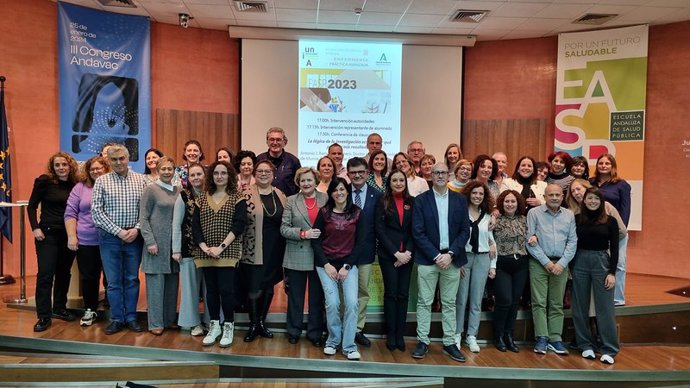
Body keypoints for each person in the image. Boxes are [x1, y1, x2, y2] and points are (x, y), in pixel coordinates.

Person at [411, 162, 470, 363]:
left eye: (443, 172)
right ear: (431, 176)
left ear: (449, 175)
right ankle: (423, 341)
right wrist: (436, 256)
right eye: (436, 173)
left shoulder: (460, 200)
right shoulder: (421, 200)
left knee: (449, 303)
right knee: (424, 302)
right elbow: (417, 232)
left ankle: (449, 342)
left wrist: (451, 254)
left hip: (452, 260)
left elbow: (465, 231)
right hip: (429, 260)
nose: (440, 176)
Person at [92, 144, 148, 335]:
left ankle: (131, 317)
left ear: (128, 157)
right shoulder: (101, 182)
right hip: (110, 238)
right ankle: (117, 318)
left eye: (121, 158)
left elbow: (146, 210)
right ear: (108, 161)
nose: (118, 163)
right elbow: (96, 212)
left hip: (134, 237)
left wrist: (136, 229)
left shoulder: (142, 180)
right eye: (114, 159)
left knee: (132, 279)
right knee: (114, 281)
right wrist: (118, 231)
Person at [193, 160, 247, 348]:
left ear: (230, 175)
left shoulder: (237, 197)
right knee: (211, 291)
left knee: (226, 290)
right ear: (211, 176)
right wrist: (205, 247)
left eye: (223, 173)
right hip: (205, 252)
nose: (219, 176)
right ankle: (214, 326)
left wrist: (220, 247)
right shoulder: (201, 198)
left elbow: (239, 225)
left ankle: (229, 326)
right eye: (216, 173)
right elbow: (196, 226)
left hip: (228, 251)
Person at [312, 177, 366, 360]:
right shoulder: (324, 212)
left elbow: (361, 243)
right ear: (331, 193)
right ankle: (333, 341)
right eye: (336, 190)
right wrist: (326, 265)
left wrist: (347, 266)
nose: (339, 193)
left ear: (347, 191)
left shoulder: (358, 213)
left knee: (351, 303)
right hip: (325, 265)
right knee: (333, 303)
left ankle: (349, 346)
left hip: (348, 265)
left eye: (342, 189)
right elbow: (316, 241)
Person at [28, 152, 79, 332]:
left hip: (69, 235)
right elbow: (31, 206)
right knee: (45, 274)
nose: (61, 168)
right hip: (47, 234)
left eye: (64, 164)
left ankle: (59, 308)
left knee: (64, 273)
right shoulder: (44, 181)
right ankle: (43, 316)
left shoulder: (75, 184)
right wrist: (35, 228)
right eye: (57, 165)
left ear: (70, 165)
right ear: (53, 167)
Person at [526, 183, 577, 355]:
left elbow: (572, 241)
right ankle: (542, 337)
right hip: (539, 263)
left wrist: (562, 263)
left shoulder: (569, 215)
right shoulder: (534, 213)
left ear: (562, 197)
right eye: (551, 195)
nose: (554, 198)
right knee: (539, 302)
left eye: (557, 195)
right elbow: (529, 240)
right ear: (545, 196)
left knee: (556, 303)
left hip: (561, 264)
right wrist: (546, 262)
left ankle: (555, 338)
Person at [240, 160, 288, 342]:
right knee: (254, 286)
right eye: (259, 171)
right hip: (252, 248)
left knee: (268, 286)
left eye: (267, 171)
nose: (263, 174)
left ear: (273, 173)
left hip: (275, 248)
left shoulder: (280, 194)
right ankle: (253, 324)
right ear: (254, 173)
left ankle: (261, 322)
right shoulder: (245, 193)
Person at [572, 187, 620, 364]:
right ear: (584, 200)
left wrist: (612, 272)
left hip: (602, 262)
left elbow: (615, 249)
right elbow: (572, 244)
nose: (592, 202)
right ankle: (585, 345)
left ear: (601, 202)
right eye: (589, 198)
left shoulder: (611, 221)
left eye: (596, 199)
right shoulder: (577, 219)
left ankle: (609, 349)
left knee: (605, 307)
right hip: (580, 261)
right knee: (579, 306)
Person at [280, 167, 327, 346]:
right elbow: (283, 228)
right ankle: (293, 330)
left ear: (316, 181)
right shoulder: (291, 201)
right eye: (303, 181)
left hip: (320, 255)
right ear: (298, 183)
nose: (306, 183)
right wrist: (303, 234)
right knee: (295, 297)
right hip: (296, 253)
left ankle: (315, 333)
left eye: (309, 180)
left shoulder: (325, 198)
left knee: (317, 297)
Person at [64, 156, 110, 328]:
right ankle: (90, 309)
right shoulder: (80, 188)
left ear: (106, 168)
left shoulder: (113, 185)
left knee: (111, 278)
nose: (96, 171)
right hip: (86, 240)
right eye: (92, 169)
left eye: (99, 168)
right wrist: (72, 236)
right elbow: (70, 213)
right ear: (88, 171)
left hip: (110, 240)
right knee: (89, 277)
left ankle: (113, 309)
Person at [139, 156, 181, 336]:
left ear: (174, 171)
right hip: (156, 246)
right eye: (163, 169)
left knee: (172, 285)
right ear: (157, 169)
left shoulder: (178, 190)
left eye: (170, 169)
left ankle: (170, 319)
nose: (166, 172)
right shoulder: (151, 189)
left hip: (174, 246)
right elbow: (143, 218)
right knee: (156, 286)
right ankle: (155, 323)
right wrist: (150, 242)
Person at [375, 170, 414, 352]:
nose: (398, 183)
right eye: (394, 180)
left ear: (405, 182)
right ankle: (391, 334)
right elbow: (379, 230)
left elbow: (416, 229)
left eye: (401, 180)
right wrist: (395, 254)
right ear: (389, 183)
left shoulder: (412, 202)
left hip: (407, 255)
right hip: (388, 255)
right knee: (391, 294)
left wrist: (406, 253)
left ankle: (400, 334)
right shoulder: (382, 201)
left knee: (403, 295)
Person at [456, 180, 496, 354]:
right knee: (460, 299)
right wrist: (457, 261)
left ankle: (472, 335)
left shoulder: (488, 216)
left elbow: (492, 243)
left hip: (482, 259)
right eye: (474, 193)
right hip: (464, 258)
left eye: (480, 193)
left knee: (476, 300)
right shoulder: (459, 213)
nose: (477, 196)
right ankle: (457, 334)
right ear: (468, 194)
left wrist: (492, 265)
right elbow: (455, 238)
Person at [347, 157, 383, 347]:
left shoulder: (377, 195)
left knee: (362, 292)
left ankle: (357, 329)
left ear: (367, 173)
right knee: (344, 294)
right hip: (343, 252)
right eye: (353, 172)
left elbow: (378, 226)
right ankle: (343, 328)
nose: (358, 175)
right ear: (348, 174)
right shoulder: (340, 192)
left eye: (361, 171)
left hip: (366, 253)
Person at [591, 153, 631, 306]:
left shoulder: (622, 185)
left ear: (612, 166)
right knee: (601, 263)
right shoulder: (591, 182)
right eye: (601, 163)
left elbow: (625, 210)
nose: (603, 166)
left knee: (619, 264)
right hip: (597, 232)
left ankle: (617, 298)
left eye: (607, 163)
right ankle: (600, 295)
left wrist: (620, 231)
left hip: (617, 231)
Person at [491, 190, 529, 353]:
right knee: (504, 300)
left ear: (518, 203)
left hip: (521, 264)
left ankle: (509, 335)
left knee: (514, 302)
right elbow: (488, 237)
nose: (510, 204)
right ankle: (498, 335)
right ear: (502, 203)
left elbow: (532, 236)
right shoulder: (495, 219)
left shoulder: (524, 219)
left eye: (513, 201)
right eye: (507, 201)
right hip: (501, 264)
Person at [172, 163, 207, 337]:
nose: (196, 178)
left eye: (199, 174)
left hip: (210, 251)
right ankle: (193, 323)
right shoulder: (183, 196)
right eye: (192, 175)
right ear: (188, 178)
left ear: (204, 175)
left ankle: (211, 320)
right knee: (190, 289)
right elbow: (176, 224)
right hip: (188, 250)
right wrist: (176, 249)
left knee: (210, 289)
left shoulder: (212, 194)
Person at [256, 127, 301, 196]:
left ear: (284, 142)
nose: (275, 143)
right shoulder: (259, 159)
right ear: (267, 142)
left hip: (288, 203)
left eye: (278, 140)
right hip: (263, 201)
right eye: (272, 139)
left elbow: (299, 183)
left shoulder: (293, 161)